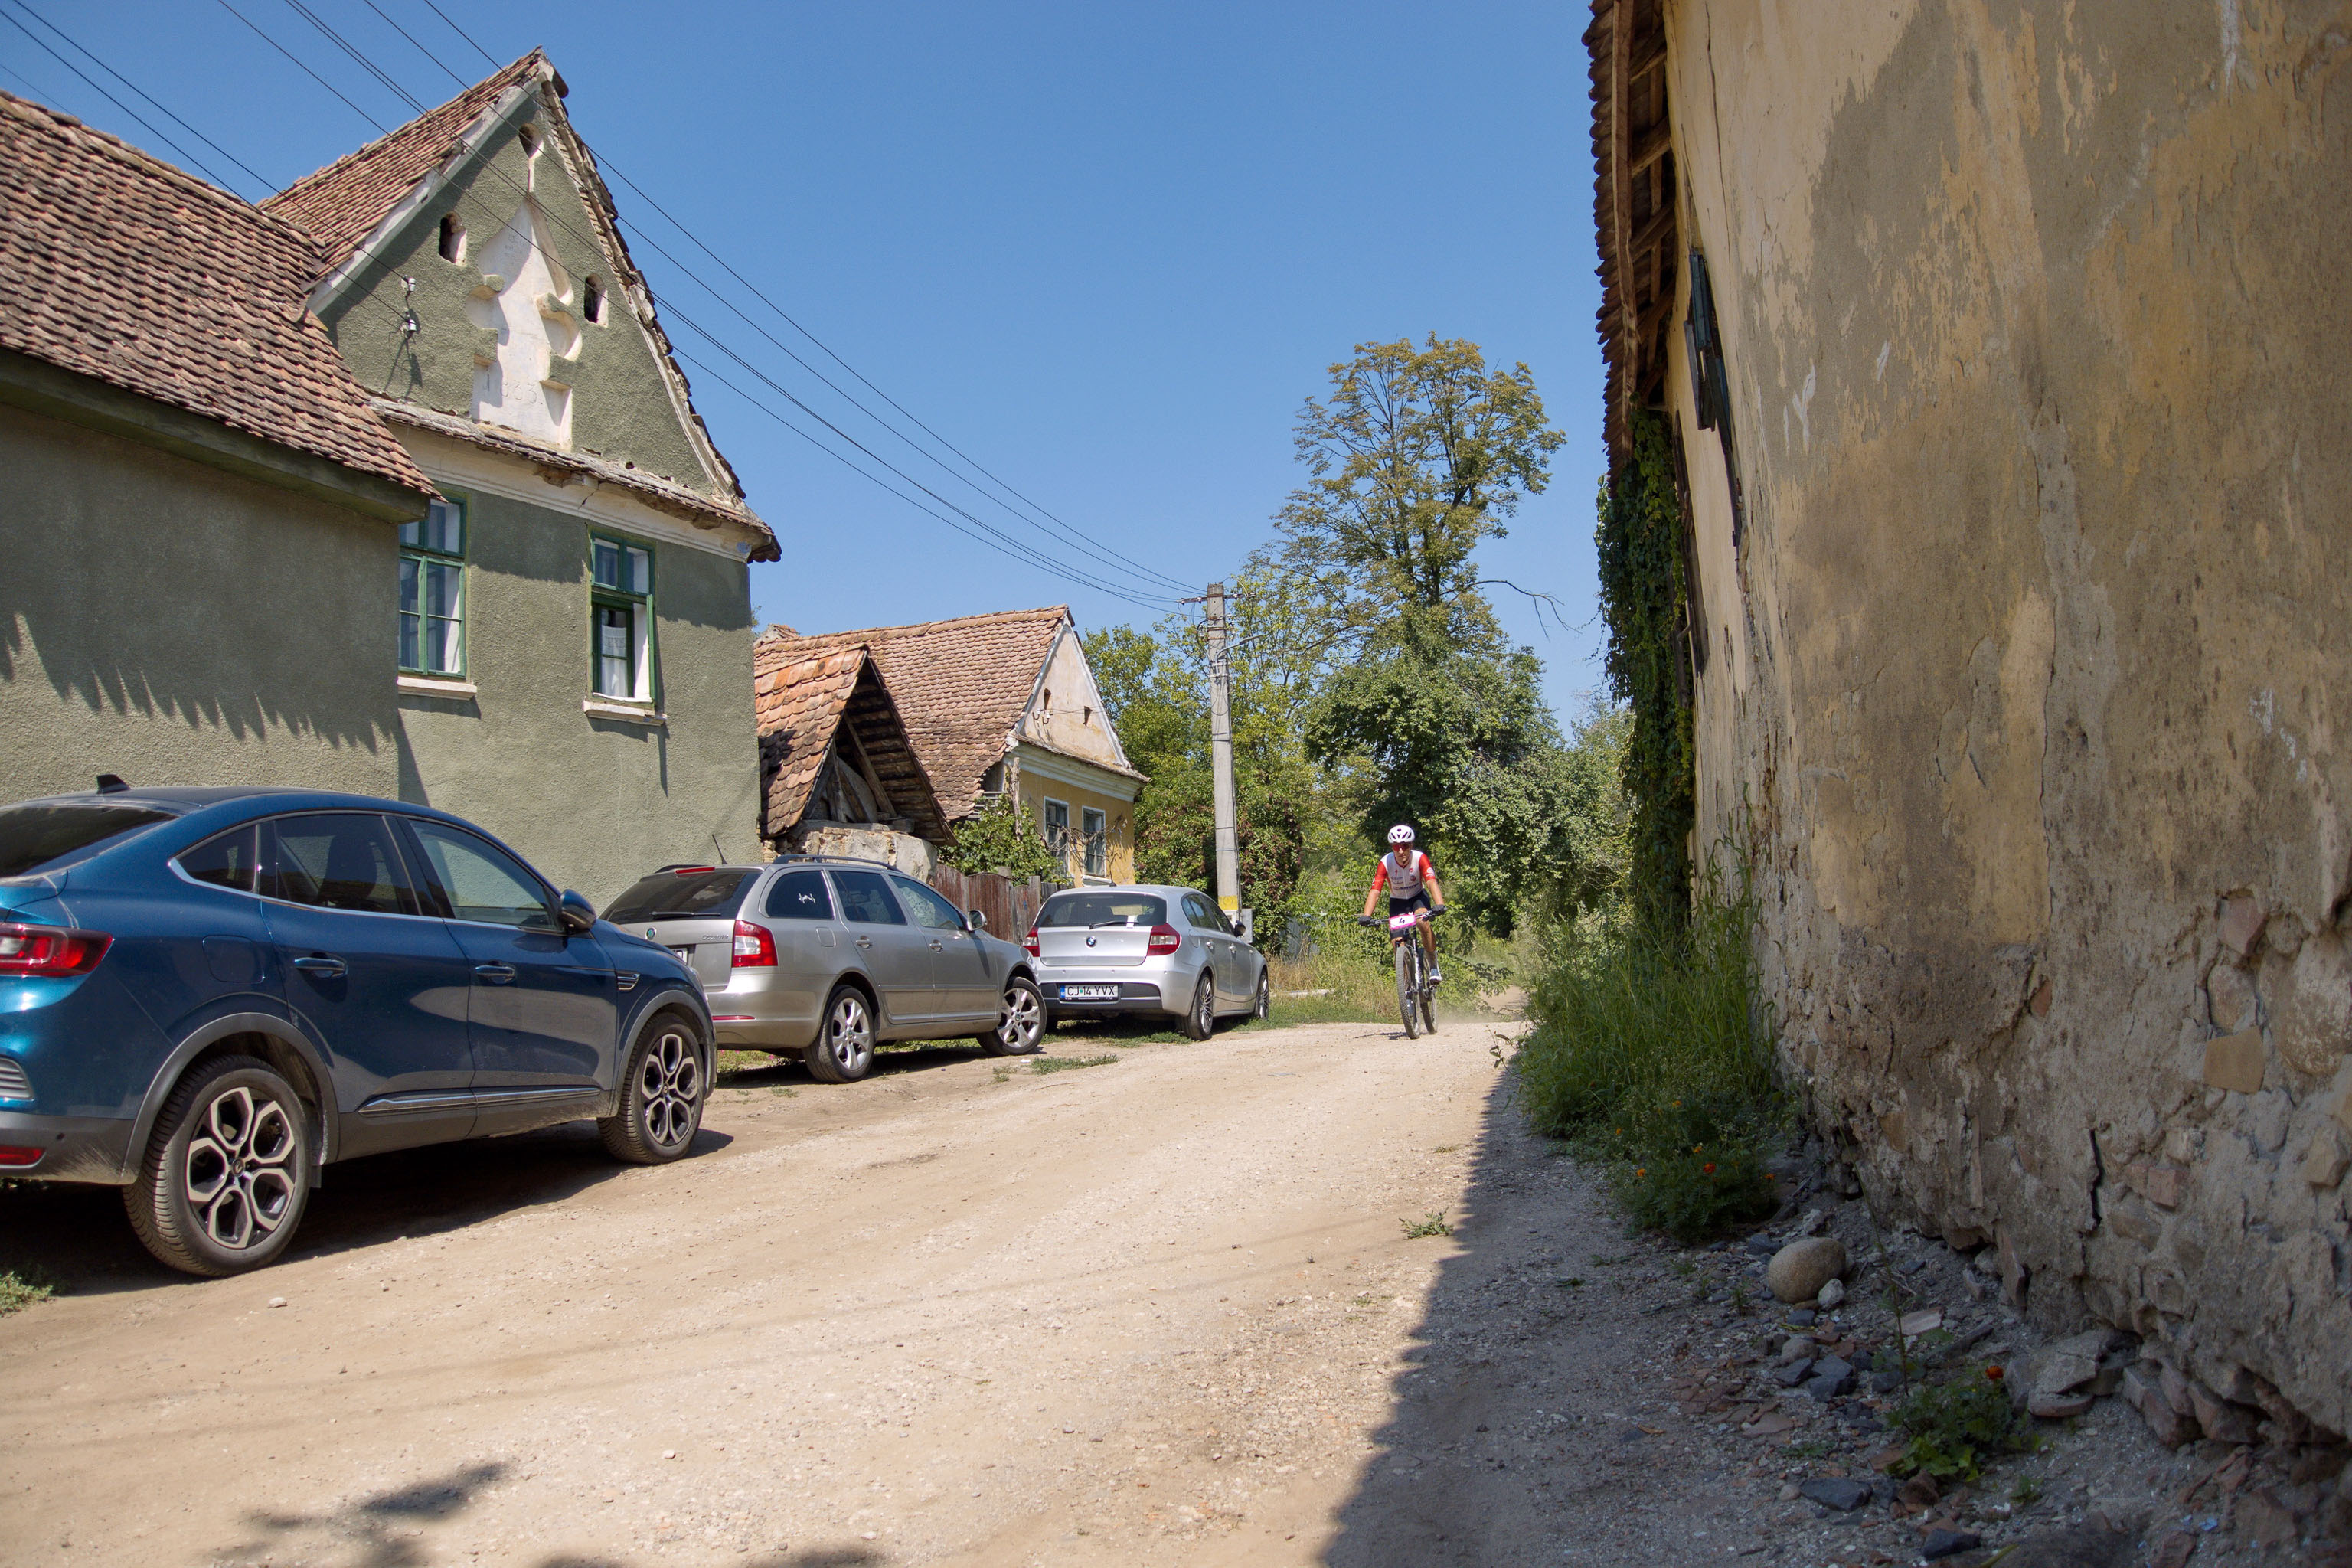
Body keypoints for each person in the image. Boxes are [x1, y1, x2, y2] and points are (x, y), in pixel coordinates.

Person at [1361, 825, 1444, 983]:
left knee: (1422, 922)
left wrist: (1439, 904)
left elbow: (1431, 882)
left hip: (1417, 897)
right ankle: (1406, 986)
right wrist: (1367, 915)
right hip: (1398, 902)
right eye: (1396, 847)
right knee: (1397, 943)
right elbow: (1375, 891)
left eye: (1405, 846)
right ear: (1392, 847)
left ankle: (1433, 962)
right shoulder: (1386, 862)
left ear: (1411, 846)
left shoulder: (1420, 858)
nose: (1400, 851)